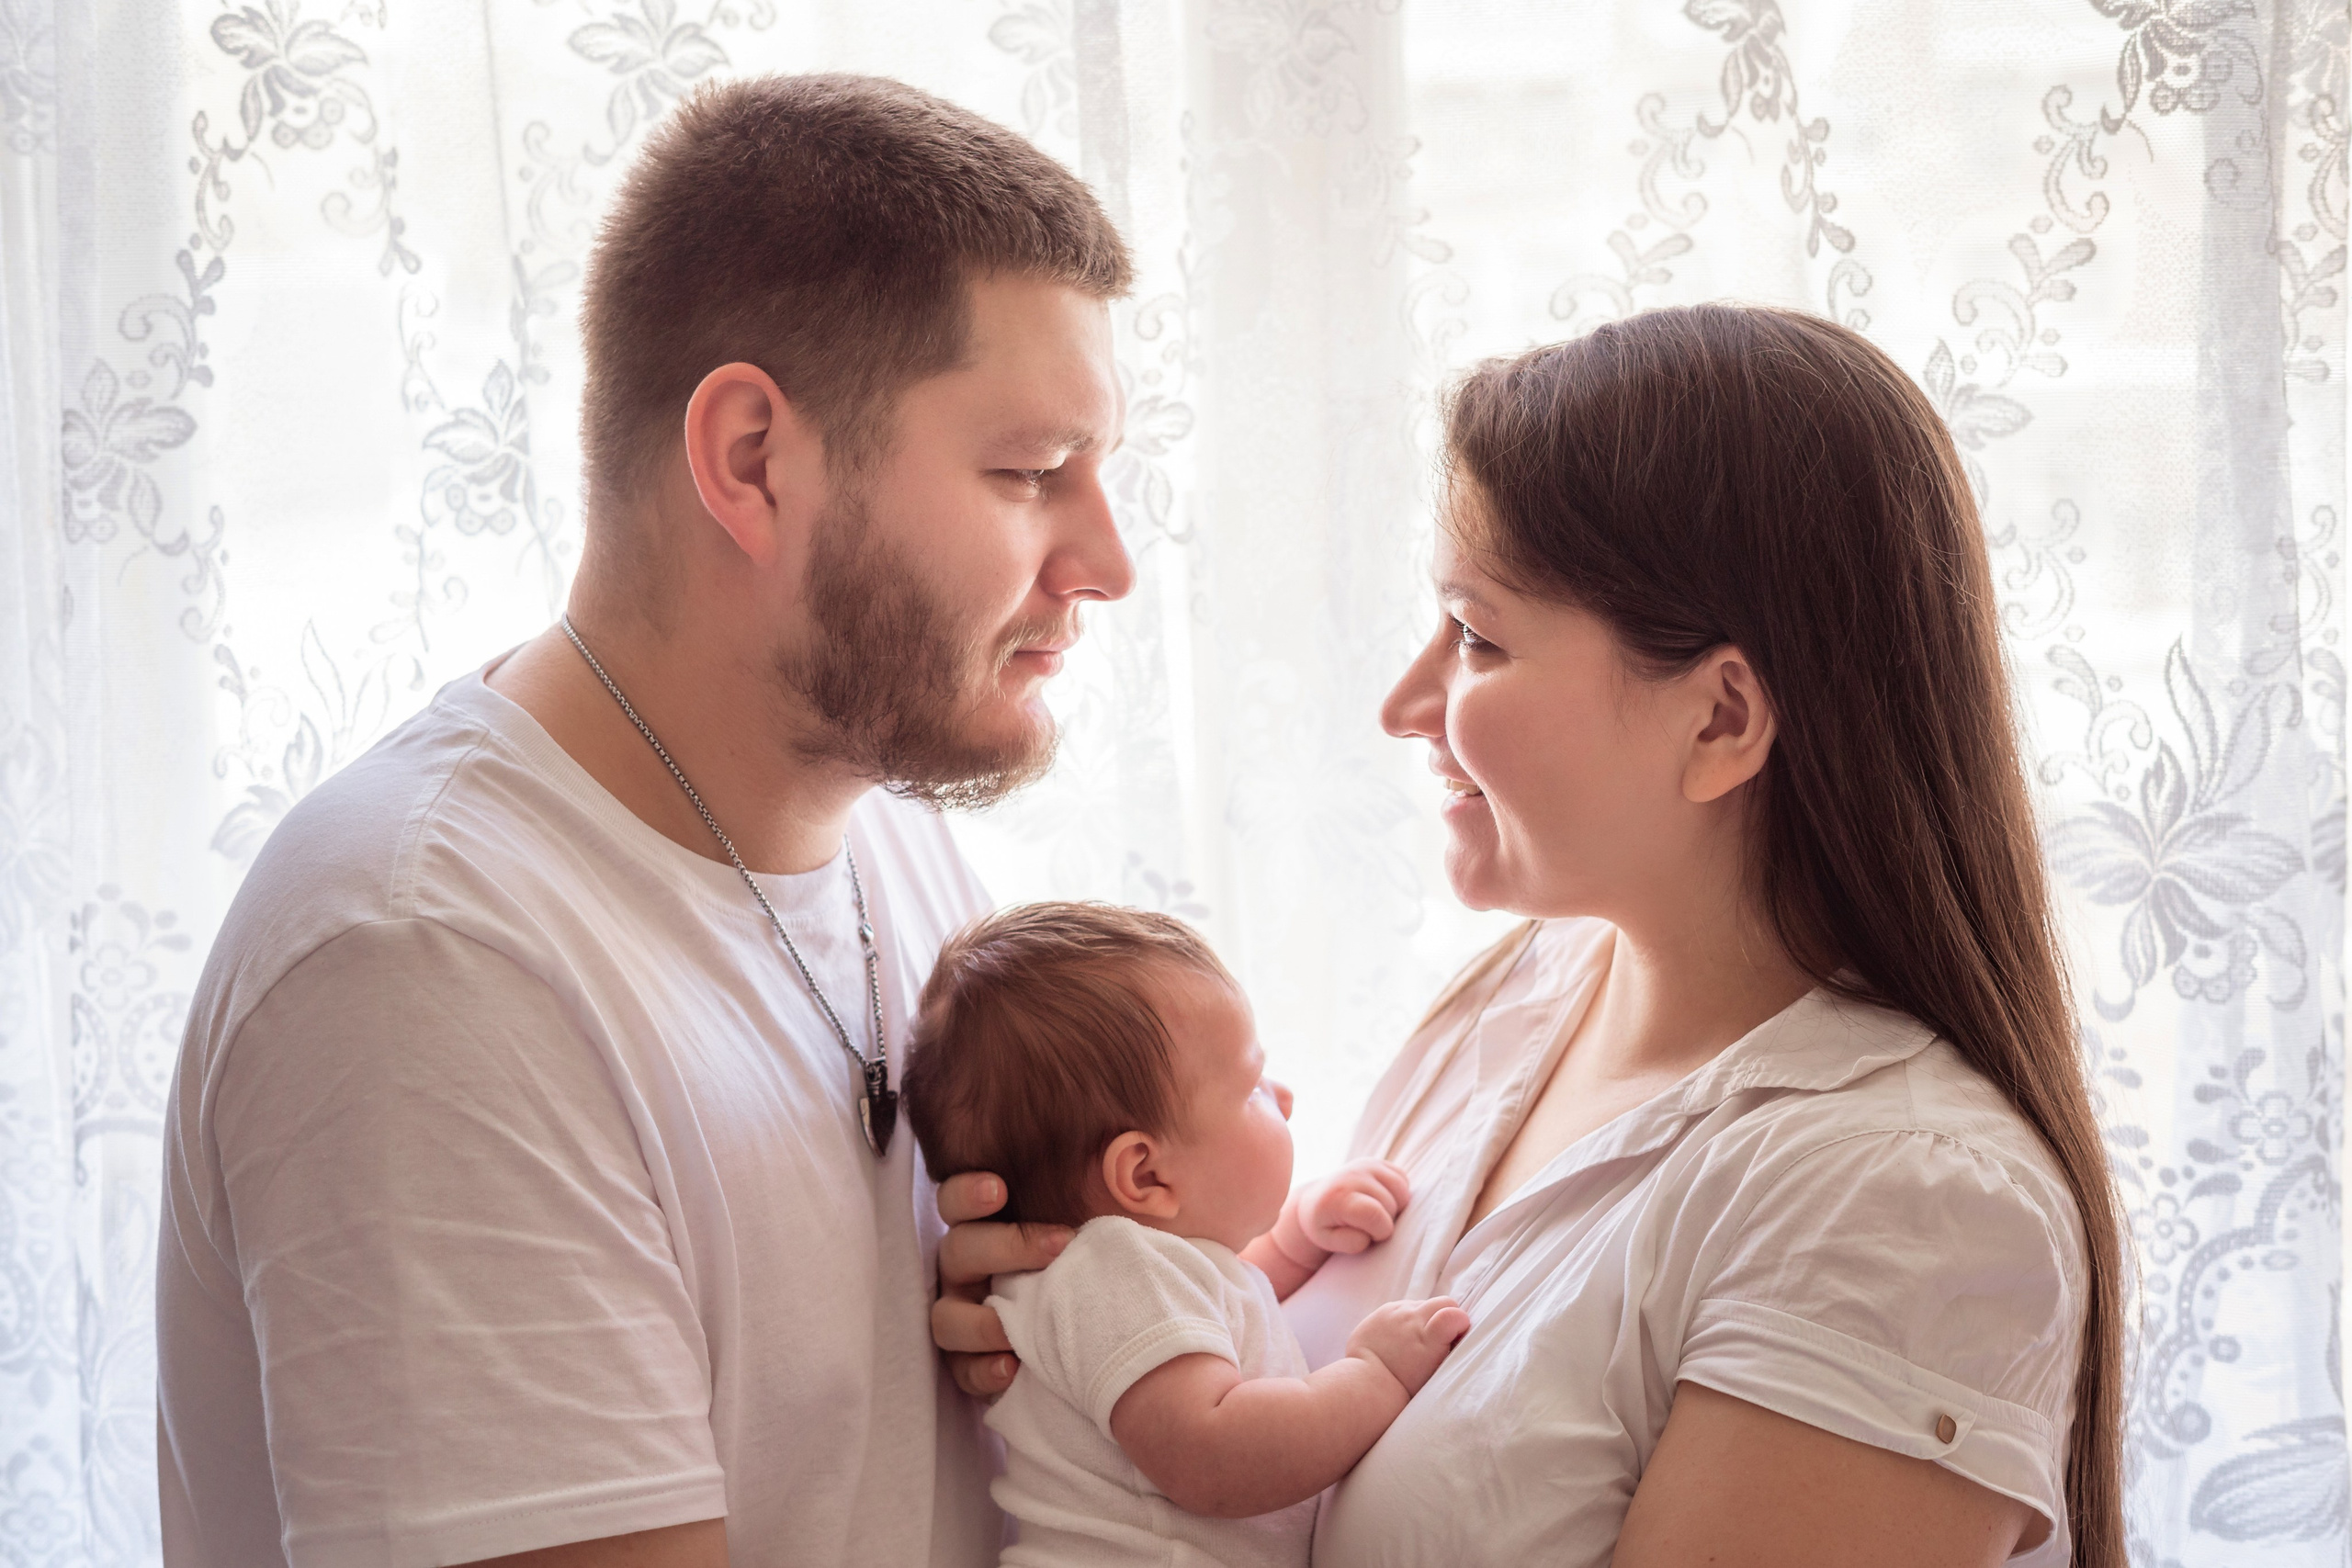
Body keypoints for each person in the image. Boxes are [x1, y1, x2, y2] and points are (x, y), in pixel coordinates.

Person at [934, 304, 2126, 1568]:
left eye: (1481, 636)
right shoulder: (1517, 999)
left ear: (1721, 717)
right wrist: (1085, 1306)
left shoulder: (1901, 1201)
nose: (1405, 704)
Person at [157, 73, 1134, 1568]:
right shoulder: (423, 964)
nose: (1106, 561)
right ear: (751, 458)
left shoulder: (892, 847)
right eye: (1028, 474)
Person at [899, 902, 1469, 1567]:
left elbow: (1214, 1312)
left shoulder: (1127, 1272)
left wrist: (1294, 1241)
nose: (1283, 1096)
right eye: (1253, 1085)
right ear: (1143, 1173)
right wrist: (1375, 1375)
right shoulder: (1111, 1268)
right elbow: (1212, 1454)